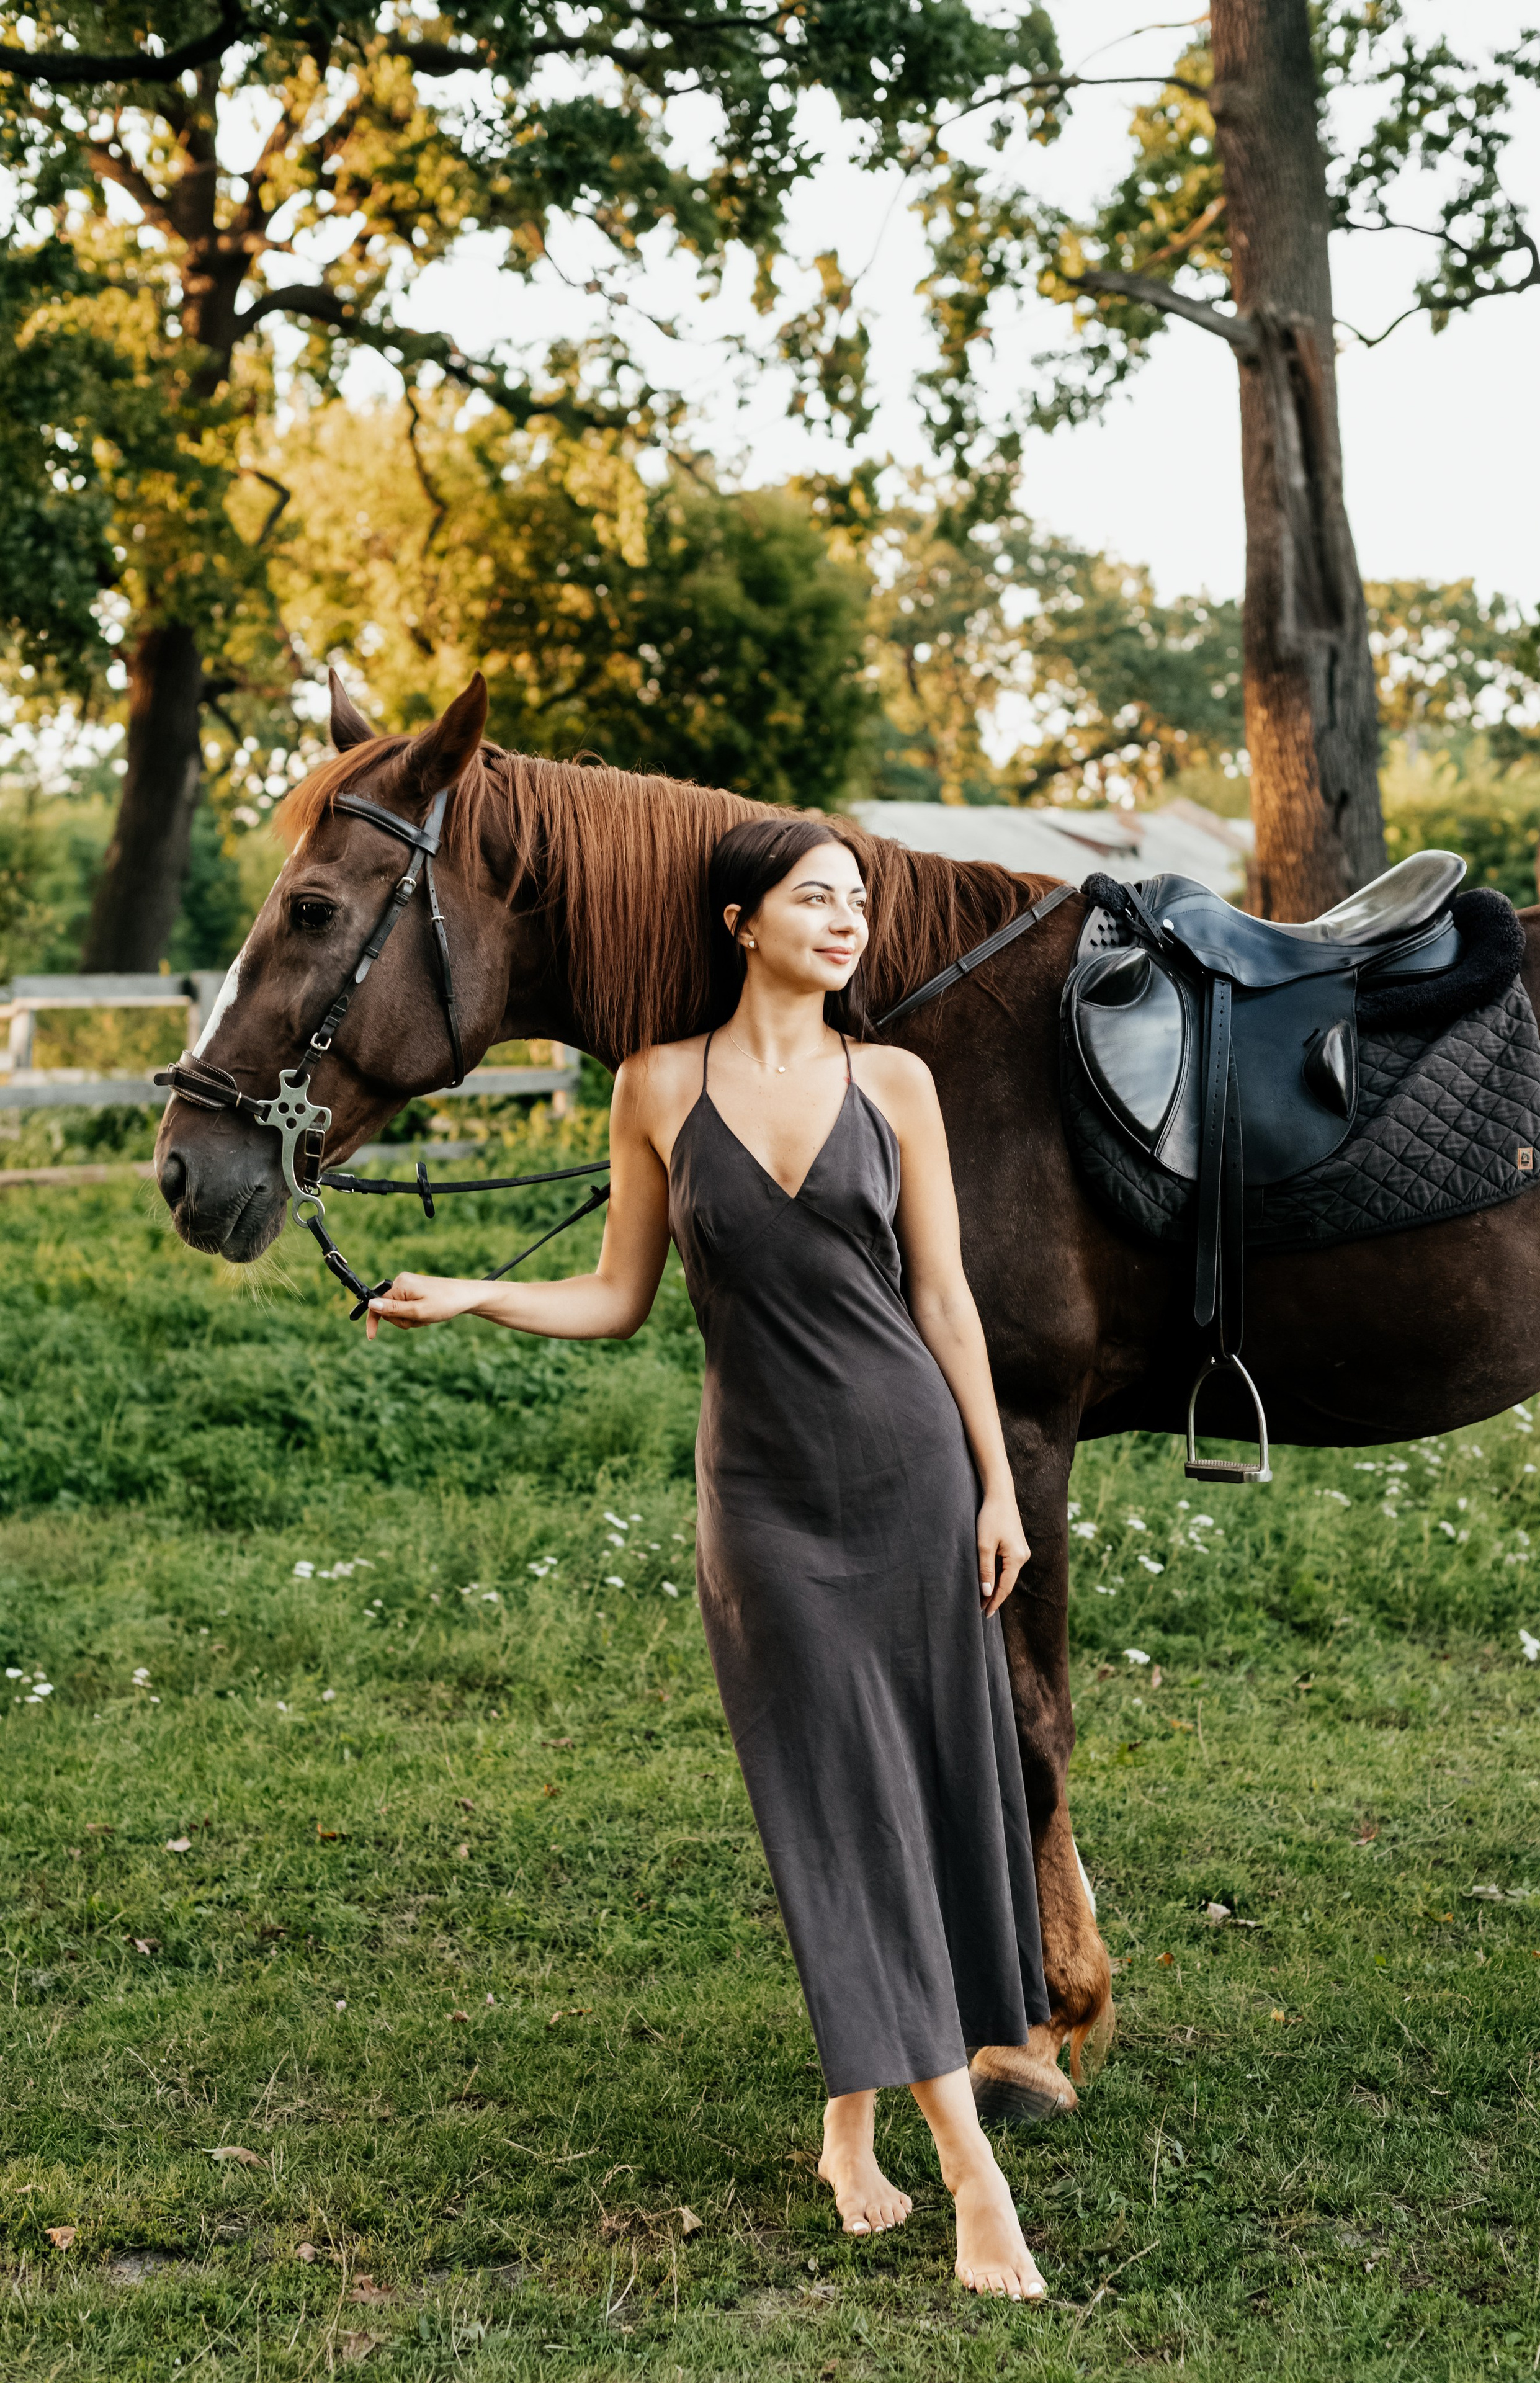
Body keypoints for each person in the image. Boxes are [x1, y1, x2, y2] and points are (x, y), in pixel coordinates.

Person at [365, 815, 1050, 2299]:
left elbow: (945, 1305)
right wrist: (479, 1292)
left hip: (911, 1478)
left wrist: (997, 1490)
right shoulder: (657, 1086)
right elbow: (619, 1298)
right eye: (815, 896)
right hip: (763, 1508)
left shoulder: (902, 1084)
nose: (847, 919)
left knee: (910, 1803)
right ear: (740, 918)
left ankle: (851, 2130)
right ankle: (971, 2175)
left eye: (858, 901)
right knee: (836, 1805)